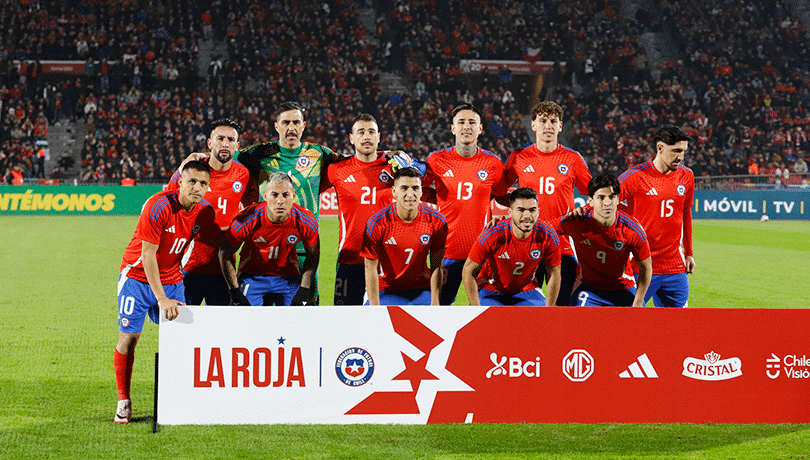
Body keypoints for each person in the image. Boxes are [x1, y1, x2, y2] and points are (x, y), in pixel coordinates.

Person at [114, 160, 219, 423]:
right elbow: (147, 255)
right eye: (192, 181)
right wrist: (162, 299)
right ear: (180, 181)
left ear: (208, 187)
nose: (197, 187)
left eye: (203, 183)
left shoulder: (205, 211)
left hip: (173, 278)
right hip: (137, 278)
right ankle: (123, 400)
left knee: (179, 340)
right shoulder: (157, 206)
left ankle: (178, 398)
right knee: (129, 339)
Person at [235, 102, 337, 304]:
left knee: (304, 320)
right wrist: (197, 158)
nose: (291, 127)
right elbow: (224, 158)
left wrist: (387, 155)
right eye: (286, 122)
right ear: (277, 126)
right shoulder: (258, 154)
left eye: (296, 122)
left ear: (304, 125)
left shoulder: (319, 154)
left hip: (306, 252)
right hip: (264, 250)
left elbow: (356, 163)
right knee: (257, 321)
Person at [502, 101, 592, 305]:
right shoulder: (519, 158)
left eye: (553, 121)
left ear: (560, 126)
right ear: (533, 125)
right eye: (543, 121)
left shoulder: (572, 158)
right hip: (527, 242)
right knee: (521, 304)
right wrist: (514, 212)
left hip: (561, 243)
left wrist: (582, 212)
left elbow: (594, 194)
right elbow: (499, 190)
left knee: (562, 307)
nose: (548, 126)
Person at [423, 103, 504, 305]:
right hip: (446, 253)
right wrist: (441, 197)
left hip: (482, 253)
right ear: (452, 128)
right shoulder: (436, 159)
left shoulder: (492, 162)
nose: (466, 126)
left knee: (482, 311)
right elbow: (418, 189)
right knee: (439, 309)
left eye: (472, 122)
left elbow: (501, 195)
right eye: (461, 122)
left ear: (480, 128)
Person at [166, 118, 250, 306]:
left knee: (221, 331)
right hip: (188, 266)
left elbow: (252, 211)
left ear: (237, 146)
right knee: (184, 328)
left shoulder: (243, 174)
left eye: (230, 139)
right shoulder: (192, 171)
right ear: (210, 143)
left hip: (224, 269)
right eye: (220, 138)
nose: (225, 143)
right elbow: (168, 204)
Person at [617, 124, 695, 308]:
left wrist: (689, 253)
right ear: (660, 147)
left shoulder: (687, 176)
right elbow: (606, 203)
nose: (680, 157)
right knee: (633, 326)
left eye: (683, 151)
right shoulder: (635, 177)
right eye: (676, 151)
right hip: (641, 266)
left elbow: (686, 214)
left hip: (675, 268)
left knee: (678, 328)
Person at [323, 114, 397, 305]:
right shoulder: (336, 169)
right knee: (345, 323)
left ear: (379, 137)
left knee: (383, 322)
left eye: (371, 132)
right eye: (361, 132)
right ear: (351, 138)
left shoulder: (393, 168)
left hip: (385, 261)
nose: (366, 137)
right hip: (349, 259)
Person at [218, 172, 320, 306]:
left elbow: (313, 255)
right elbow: (224, 252)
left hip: (287, 277)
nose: (280, 201)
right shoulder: (247, 218)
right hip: (252, 277)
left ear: (294, 196)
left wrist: (304, 288)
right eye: (274, 194)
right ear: (265, 196)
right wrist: (235, 291)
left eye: (285, 195)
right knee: (246, 322)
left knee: (295, 321)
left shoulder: (306, 220)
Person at [555, 174, 651, 307]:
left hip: (623, 288)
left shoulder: (632, 229)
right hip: (588, 288)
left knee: (640, 325)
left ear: (618, 199)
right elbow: (545, 228)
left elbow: (646, 269)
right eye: (601, 197)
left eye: (612, 197)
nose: (607, 203)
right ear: (590, 200)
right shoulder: (576, 221)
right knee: (577, 324)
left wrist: (638, 302)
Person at [361, 167, 448, 306]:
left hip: (421, 291)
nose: (410, 194)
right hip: (386, 291)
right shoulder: (377, 223)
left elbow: (437, 266)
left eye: (415, 188)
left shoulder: (437, 221)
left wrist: (435, 303)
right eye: (404, 188)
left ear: (421, 191)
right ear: (394, 192)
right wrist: (374, 307)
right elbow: (369, 268)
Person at [462, 187, 561, 306]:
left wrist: (549, 309)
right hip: (490, 289)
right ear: (510, 212)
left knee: (541, 320)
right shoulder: (492, 234)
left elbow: (554, 273)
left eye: (532, 210)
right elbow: (468, 269)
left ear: (538, 211)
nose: (527, 215)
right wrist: (476, 308)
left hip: (526, 290)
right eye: (521, 210)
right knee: (488, 321)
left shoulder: (548, 235)